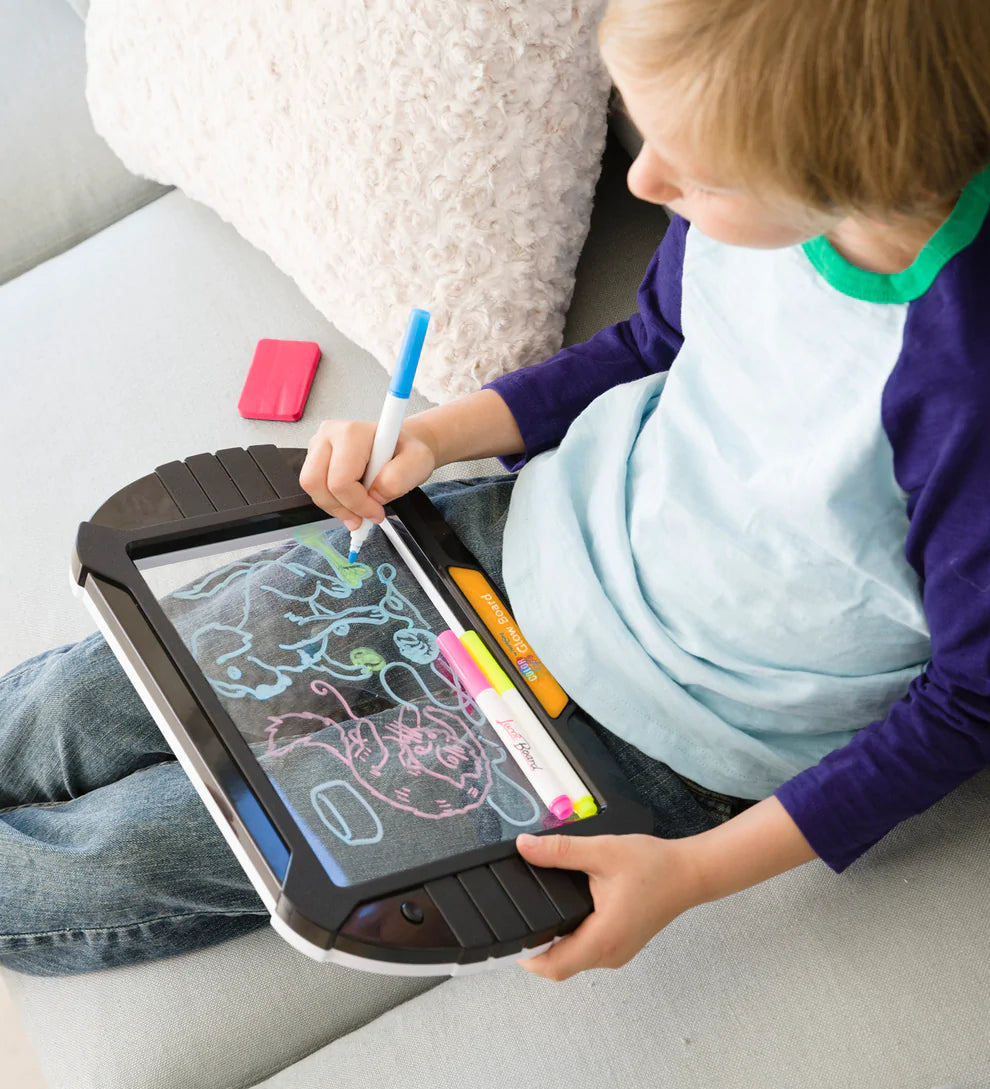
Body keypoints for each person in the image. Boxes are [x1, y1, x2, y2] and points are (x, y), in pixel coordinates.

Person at [1, 0, 989, 983]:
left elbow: (967, 702)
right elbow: (650, 346)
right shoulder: (748, 181)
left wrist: (687, 874)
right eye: (651, 139)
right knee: (81, 697)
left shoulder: (960, 385)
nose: (645, 180)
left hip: (655, 738)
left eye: (693, 171)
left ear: (850, 175)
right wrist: (431, 439)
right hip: (518, 543)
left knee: (131, 847)